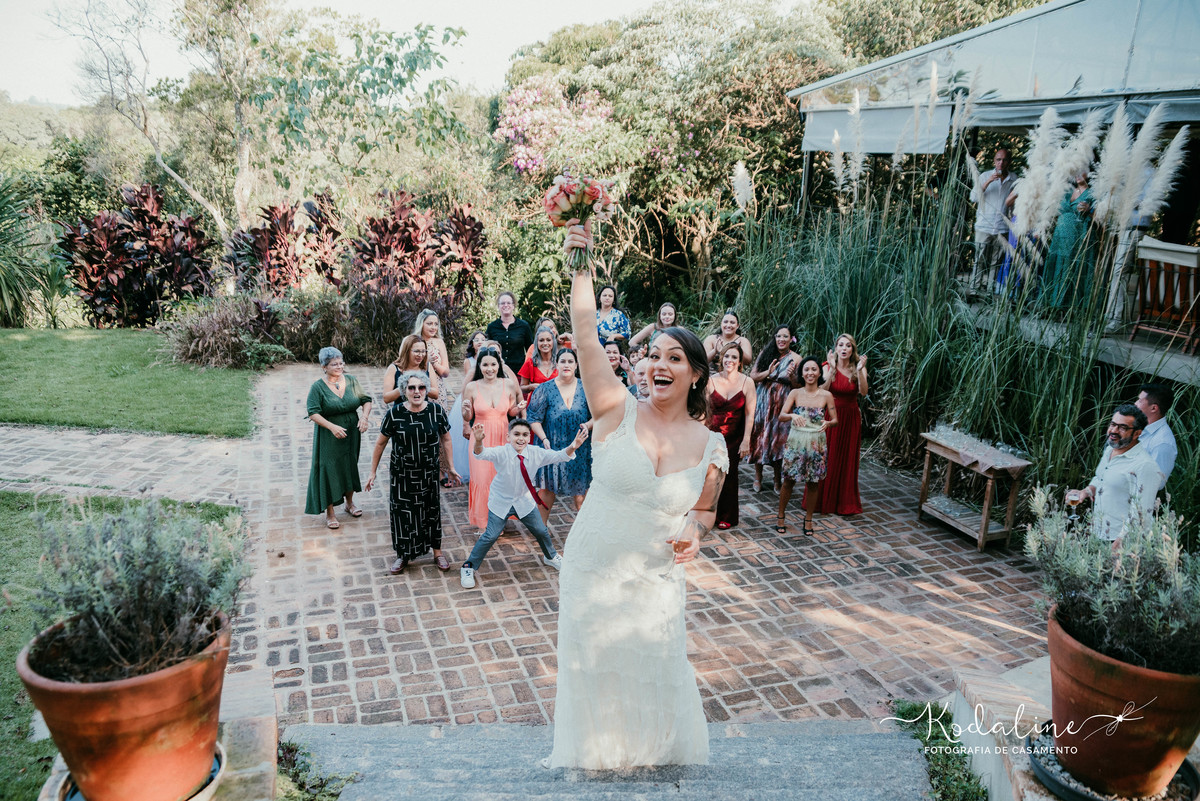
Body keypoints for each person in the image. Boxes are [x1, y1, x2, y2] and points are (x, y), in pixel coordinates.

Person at [548, 220, 728, 770]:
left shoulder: (712, 445)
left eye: (675, 358)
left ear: (695, 375)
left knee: (653, 667)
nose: (659, 364)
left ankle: (652, 760)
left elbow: (704, 511)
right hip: (594, 569)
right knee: (598, 671)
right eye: (655, 355)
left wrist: (694, 534)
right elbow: (583, 330)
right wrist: (581, 261)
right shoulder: (615, 407)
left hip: (653, 578)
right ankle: (598, 760)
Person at [459, 419, 588, 588]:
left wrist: (574, 445)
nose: (521, 438)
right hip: (500, 501)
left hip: (523, 501)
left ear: (529, 437)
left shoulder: (536, 453)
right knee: (490, 535)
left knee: (541, 530)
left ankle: (550, 556)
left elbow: (560, 455)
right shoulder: (501, 452)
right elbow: (481, 454)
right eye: (517, 434)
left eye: (525, 435)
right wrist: (478, 441)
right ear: (508, 437)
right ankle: (468, 566)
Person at [365, 370, 461, 574]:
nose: (417, 391)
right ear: (404, 390)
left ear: (426, 389)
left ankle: (437, 552)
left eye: (421, 387)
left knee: (431, 511)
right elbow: (381, 443)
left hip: (428, 472)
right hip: (402, 474)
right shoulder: (394, 414)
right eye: (411, 388)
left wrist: (451, 467)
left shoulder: (436, 411)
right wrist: (372, 472)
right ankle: (403, 554)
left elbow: (446, 439)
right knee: (402, 513)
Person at [1066, 404, 1163, 541]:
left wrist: (1120, 542)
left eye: (1122, 427)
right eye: (1113, 424)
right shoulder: (1110, 450)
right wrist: (1086, 492)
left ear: (1137, 433)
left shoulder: (1145, 466)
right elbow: (1100, 478)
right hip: (1098, 533)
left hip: (1120, 540)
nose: (1114, 430)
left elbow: (1142, 513)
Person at [305, 347, 373, 529]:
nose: (339, 366)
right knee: (329, 470)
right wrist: (332, 426)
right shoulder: (317, 387)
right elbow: (312, 412)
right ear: (324, 367)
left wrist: (365, 418)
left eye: (341, 362)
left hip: (351, 432)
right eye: (334, 364)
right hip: (329, 435)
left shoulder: (351, 381)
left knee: (350, 465)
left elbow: (366, 399)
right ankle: (330, 512)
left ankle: (349, 503)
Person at [461, 348, 525, 529]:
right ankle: (485, 524)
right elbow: (467, 417)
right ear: (479, 366)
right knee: (482, 480)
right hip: (480, 437)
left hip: (503, 437)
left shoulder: (509, 384)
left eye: (493, 364)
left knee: (501, 479)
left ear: (499, 365)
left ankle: (499, 521)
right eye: (485, 364)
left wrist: (518, 407)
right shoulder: (472, 387)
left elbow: (511, 412)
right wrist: (466, 410)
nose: (489, 368)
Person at [528, 348, 593, 525]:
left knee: (581, 494)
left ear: (576, 365)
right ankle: (541, 532)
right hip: (552, 446)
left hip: (580, 447)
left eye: (570, 361)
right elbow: (533, 419)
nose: (566, 365)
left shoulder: (586, 388)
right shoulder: (544, 389)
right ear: (556, 364)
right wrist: (543, 439)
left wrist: (588, 425)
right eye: (563, 361)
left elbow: (599, 414)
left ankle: (587, 532)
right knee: (547, 491)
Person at [778, 357, 837, 536]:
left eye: (813, 369)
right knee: (789, 481)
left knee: (813, 483)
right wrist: (793, 416)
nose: (810, 373)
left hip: (816, 442)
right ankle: (780, 515)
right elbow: (782, 415)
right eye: (806, 369)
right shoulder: (795, 393)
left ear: (819, 372)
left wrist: (828, 423)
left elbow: (835, 420)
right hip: (796, 441)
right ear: (802, 373)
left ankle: (808, 519)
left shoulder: (826, 395)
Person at [814, 334, 867, 516]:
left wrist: (860, 371)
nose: (844, 349)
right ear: (836, 348)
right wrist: (833, 369)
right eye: (841, 345)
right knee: (829, 456)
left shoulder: (857, 368)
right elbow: (822, 390)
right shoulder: (827, 366)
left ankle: (844, 502)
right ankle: (822, 500)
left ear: (852, 349)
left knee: (847, 458)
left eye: (848, 346)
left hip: (851, 417)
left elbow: (864, 392)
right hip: (832, 415)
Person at [707, 342, 755, 529]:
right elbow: (703, 411)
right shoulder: (711, 380)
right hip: (712, 435)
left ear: (740, 361)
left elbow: (750, 413)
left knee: (729, 476)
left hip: (734, 437)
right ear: (721, 358)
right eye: (727, 356)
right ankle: (707, 513)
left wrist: (746, 440)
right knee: (710, 475)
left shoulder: (747, 382)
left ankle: (727, 515)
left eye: (734, 357)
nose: (730, 360)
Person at [748, 324, 800, 493]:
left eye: (785, 336)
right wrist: (768, 373)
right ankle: (758, 478)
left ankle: (777, 480)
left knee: (779, 439)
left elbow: (798, 386)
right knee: (759, 436)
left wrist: (792, 377)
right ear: (775, 337)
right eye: (778, 336)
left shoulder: (797, 358)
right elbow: (753, 376)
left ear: (791, 339)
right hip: (763, 400)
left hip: (783, 402)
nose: (781, 339)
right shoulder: (766, 353)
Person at [1041, 172, 1096, 309]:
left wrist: (1089, 211)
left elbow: (1099, 218)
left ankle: (1065, 307)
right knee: (1058, 267)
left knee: (1071, 271)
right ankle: (1051, 304)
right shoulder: (1069, 191)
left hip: (1077, 239)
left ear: (1089, 171)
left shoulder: (1093, 193)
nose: (1078, 174)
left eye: (1082, 169)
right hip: (1060, 239)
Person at [970, 148, 1018, 294]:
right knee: (979, 259)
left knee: (996, 261)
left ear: (1009, 162)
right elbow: (973, 197)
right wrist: (988, 182)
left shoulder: (1013, 178)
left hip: (1002, 226)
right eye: (998, 159)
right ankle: (974, 289)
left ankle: (990, 290)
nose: (1001, 163)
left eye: (1004, 160)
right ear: (994, 161)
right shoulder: (985, 175)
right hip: (984, 224)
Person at [449, 330, 487, 485]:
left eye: (482, 339)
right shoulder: (469, 361)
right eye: (476, 339)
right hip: (471, 395)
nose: (479, 342)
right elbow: (469, 381)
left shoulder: (491, 358)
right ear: (472, 343)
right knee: (465, 438)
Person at [1134, 383, 1177, 486]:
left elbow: (1157, 482)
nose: (1135, 403)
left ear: (1153, 408)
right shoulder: (1137, 426)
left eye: (1140, 401)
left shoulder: (1163, 442)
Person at [486, 291, 534, 377]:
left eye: (508, 303)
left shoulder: (524, 326)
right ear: (498, 306)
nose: (505, 305)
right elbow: (487, 350)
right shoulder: (492, 327)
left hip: (519, 372)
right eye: (502, 303)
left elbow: (530, 350)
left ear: (513, 306)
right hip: (498, 372)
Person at [382, 335, 440, 406]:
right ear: (406, 351)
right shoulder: (394, 368)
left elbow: (436, 394)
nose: (420, 355)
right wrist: (403, 387)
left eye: (423, 351)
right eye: (416, 351)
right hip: (401, 411)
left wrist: (422, 386)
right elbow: (386, 398)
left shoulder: (427, 366)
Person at [518, 326, 559, 401]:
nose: (545, 343)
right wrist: (531, 387)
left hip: (557, 405)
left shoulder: (560, 362)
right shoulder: (530, 363)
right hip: (537, 405)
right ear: (537, 343)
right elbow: (522, 387)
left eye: (548, 340)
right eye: (541, 340)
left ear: (553, 342)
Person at [413, 309, 451, 380]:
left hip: (437, 386)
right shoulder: (412, 341)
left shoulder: (439, 342)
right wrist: (425, 360)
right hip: (417, 385)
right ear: (421, 324)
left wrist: (434, 364)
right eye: (429, 324)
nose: (433, 327)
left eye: (436, 324)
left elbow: (446, 373)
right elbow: (406, 368)